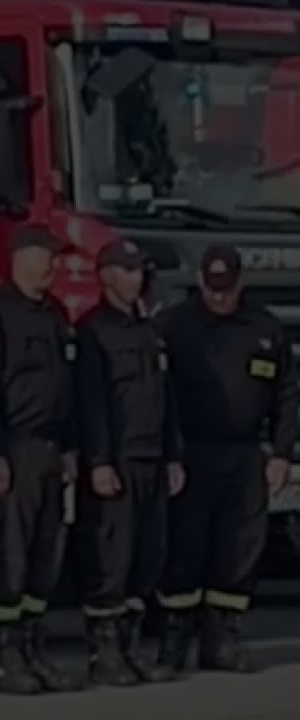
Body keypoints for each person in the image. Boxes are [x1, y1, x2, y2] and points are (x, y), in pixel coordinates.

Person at [156, 244, 299, 673]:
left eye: (227, 287)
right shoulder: (173, 326)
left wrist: (282, 453)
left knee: (239, 551)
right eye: (213, 287)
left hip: (244, 456)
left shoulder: (264, 328)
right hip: (190, 453)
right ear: (201, 282)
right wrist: (169, 454)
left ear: (241, 283)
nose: (220, 296)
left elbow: (289, 395)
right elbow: (154, 396)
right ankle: (174, 641)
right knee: (185, 548)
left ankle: (223, 640)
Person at [0, 224, 79, 695]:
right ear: (21, 256)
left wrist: (70, 447)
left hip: (51, 452)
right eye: (45, 254)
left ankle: (33, 651)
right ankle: (5, 658)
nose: (53, 264)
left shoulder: (53, 313)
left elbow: (66, 388)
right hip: (12, 448)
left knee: (44, 559)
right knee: (8, 558)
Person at [73, 240, 183, 686]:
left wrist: (175, 455)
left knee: (147, 557)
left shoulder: (149, 331)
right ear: (107, 275)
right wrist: (99, 461)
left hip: (152, 460)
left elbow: (168, 400)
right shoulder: (93, 331)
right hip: (116, 464)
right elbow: (91, 403)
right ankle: (105, 654)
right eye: (128, 269)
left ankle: (130, 647)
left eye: (140, 270)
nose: (137, 277)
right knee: (111, 559)